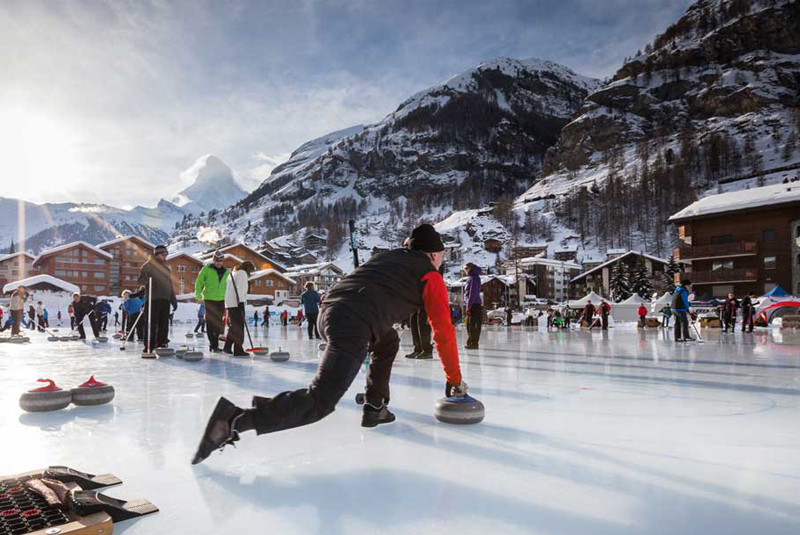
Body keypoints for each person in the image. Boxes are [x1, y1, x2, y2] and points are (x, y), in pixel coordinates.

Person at [192, 223, 467, 465]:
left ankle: (375, 406)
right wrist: (454, 378)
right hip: (353, 323)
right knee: (320, 401)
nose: (442, 260)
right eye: (441, 255)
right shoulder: (430, 275)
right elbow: (442, 331)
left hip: (329, 313)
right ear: (432, 254)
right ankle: (236, 420)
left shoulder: (388, 258)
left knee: (388, 340)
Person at [136, 244, 178, 352]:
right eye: (163, 254)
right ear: (157, 254)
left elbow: (170, 285)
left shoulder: (166, 268)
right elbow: (141, 280)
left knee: (164, 323)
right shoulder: (148, 265)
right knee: (151, 323)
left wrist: (173, 300)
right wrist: (147, 279)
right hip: (153, 298)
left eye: (166, 255)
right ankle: (149, 345)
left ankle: (162, 343)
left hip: (165, 299)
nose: (165, 257)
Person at [195, 250, 229, 353]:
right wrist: (198, 296)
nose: (218, 262)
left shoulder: (227, 272)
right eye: (217, 260)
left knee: (218, 324)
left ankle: (215, 344)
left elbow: (228, 287)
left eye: (220, 260)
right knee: (210, 323)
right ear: (213, 260)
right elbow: (199, 282)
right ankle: (213, 345)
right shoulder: (206, 269)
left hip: (221, 300)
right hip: (209, 299)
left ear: (223, 261)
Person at [223, 261, 255, 356]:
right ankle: (238, 349)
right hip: (237, 303)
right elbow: (240, 288)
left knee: (234, 326)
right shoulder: (242, 273)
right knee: (239, 327)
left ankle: (227, 347)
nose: (250, 273)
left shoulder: (232, 273)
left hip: (230, 303)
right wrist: (241, 301)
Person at [463, 262, 483, 349]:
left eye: (466, 268)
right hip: (474, 304)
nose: (465, 270)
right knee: (471, 324)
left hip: (473, 304)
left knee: (471, 324)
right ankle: (472, 342)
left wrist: (468, 305)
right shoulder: (473, 277)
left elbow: (472, 293)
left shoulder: (473, 278)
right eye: (464, 269)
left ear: (471, 268)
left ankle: (473, 343)